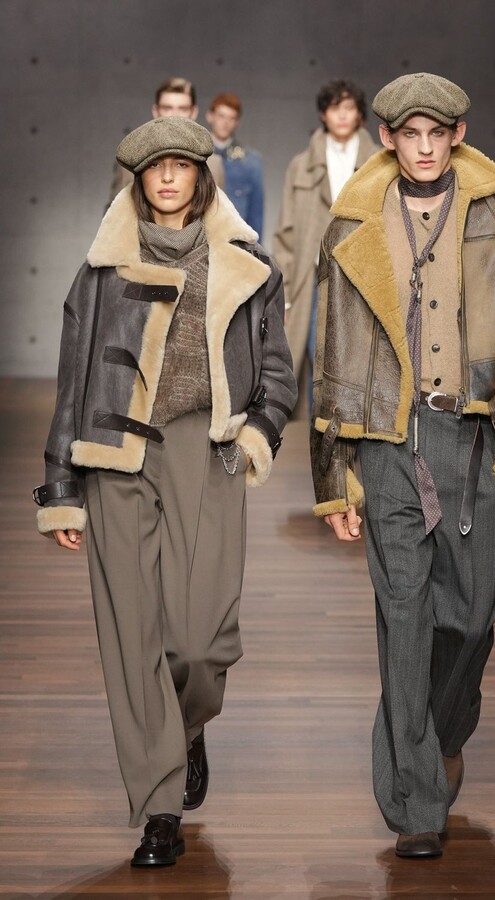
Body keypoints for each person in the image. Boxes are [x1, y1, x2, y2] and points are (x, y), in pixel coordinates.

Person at [34, 116, 296, 866]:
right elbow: (73, 381)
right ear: (140, 179)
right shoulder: (100, 272)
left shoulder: (247, 264)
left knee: (200, 642)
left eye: (182, 164)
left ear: (201, 174)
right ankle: (159, 809)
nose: (170, 177)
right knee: (133, 637)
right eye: (156, 167)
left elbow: (277, 371)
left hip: (206, 453)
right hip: (115, 457)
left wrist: (256, 435)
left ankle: (187, 727)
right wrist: (62, 485)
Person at [310, 73, 495, 859]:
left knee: (475, 611)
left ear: (457, 136)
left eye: (436, 134)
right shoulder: (350, 225)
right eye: (408, 135)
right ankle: (415, 802)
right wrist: (333, 476)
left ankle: (442, 733)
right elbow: (332, 352)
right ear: (387, 138)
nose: (422, 148)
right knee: (406, 614)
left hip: (477, 438)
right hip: (390, 438)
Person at [272, 80, 376, 414]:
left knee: (362, 366)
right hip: (315, 279)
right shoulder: (301, 165)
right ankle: (322, 439)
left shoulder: (379, 163)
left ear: (359, 114)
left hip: (364, 280)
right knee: (319, 365)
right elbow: (286, 233)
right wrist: (286, 294)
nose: (342, 115)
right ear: (323, 114)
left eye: (349, 108)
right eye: (334, 108)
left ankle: (351, 438)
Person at [108, 77, 224, 203]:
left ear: (194, 112)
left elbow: (219, 212)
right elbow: (115, 212)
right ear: (155, 111)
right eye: (167, 108)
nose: (174, 116)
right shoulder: (132, 162)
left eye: (183, 109)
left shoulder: (213, 165)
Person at [206, 92, 264, 240]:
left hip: (237, 241)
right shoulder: (197, 156)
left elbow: (256, 214)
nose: (226, 122)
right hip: (202, 240)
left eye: (231, 118)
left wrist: (255, 249)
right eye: (221, 116)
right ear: (210, 116)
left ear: (237, 122)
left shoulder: (251, 162)